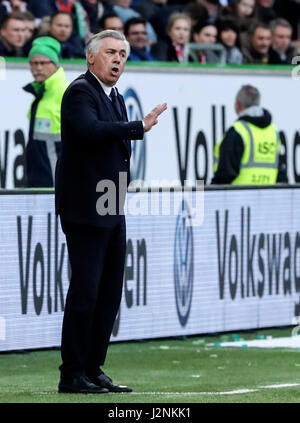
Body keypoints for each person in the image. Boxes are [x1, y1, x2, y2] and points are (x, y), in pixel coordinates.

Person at [55, 29, 167, 394]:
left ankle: (93, 366)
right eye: (111, 53)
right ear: (91, 57)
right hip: (86, 205)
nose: (118, 59)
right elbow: (89, 131)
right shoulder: (80, 92)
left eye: (123, 54)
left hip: (111, 204)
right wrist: (138, 126)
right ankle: (71, 372)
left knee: (108, 292)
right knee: (86, 290)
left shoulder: (114, 95)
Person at [212, 85, 283, 185]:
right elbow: (281, 172)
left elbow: (225, 173)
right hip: (268, 196)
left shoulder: (238, 131)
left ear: (237, 105)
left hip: (239, 197)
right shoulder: (273, 131)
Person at [23, 36, 69, 187]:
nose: (38, 68)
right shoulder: (41, 92)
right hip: (38, 176)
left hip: (56, 179)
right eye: (34, 63)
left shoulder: (65, 91)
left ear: (55, 64)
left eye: (43, 63)